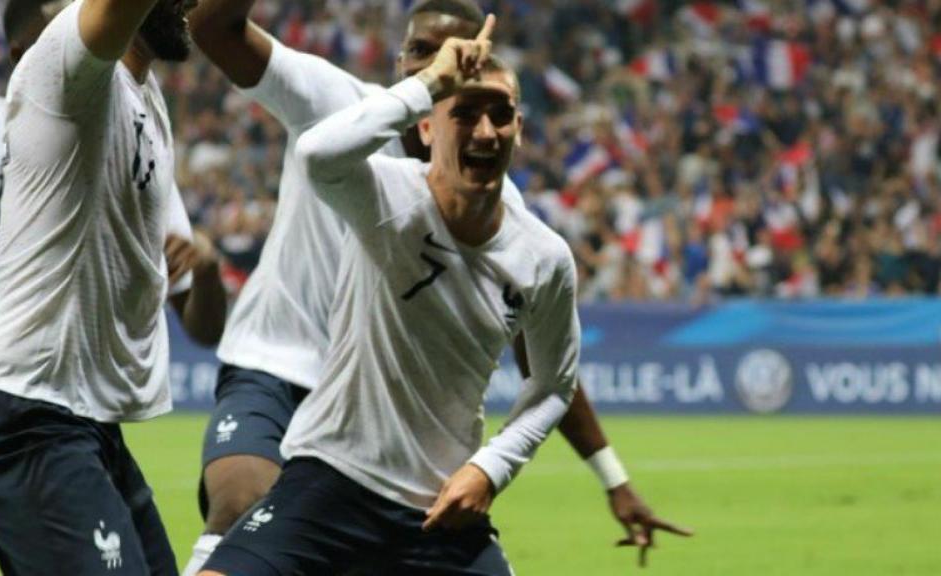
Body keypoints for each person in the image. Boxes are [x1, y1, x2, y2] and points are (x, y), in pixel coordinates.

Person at [184, 0, 689, 572]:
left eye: (453, 53)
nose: (434, 63)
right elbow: (213, 30)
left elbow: (547, 371)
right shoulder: (345, 110)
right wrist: (427, 88)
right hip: (280, 362)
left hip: (403, 440)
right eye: (420, 52)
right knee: (240, 498)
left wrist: (607, 476)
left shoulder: (515, 226)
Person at [0, 0, 216, 573]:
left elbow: (203, 321)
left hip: (83, 418)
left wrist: (207, 267)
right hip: (27, 412)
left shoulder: (146, 100)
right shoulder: (68, 61)